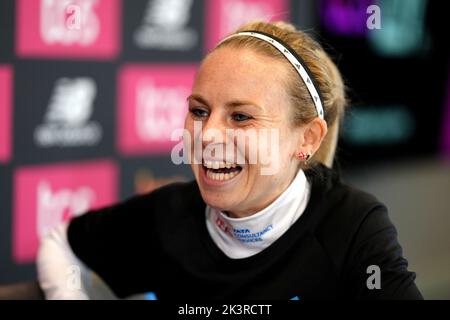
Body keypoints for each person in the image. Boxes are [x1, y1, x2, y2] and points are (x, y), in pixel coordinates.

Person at [37, 21, 423, 300]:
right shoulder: (168, 214)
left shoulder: (351, 224)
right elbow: (62, 243)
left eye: (241, 117)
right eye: (199, 111)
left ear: (306, 138)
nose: (207, 136)